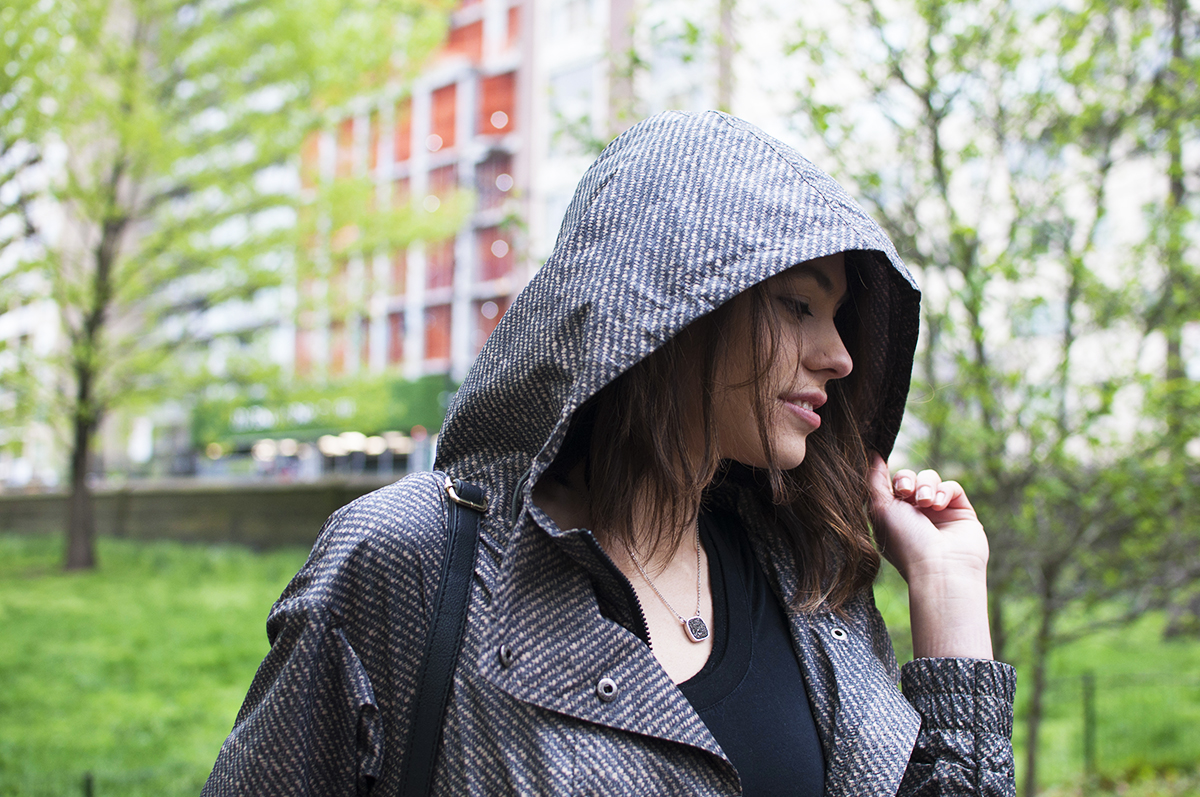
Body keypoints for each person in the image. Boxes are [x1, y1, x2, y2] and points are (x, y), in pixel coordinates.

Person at [202, 111, 1015, 796]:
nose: (839, 357)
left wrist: (948, 593)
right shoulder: (411, 562)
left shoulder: (810, 583)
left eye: (839, 318)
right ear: (671, 300)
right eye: (799, 303)